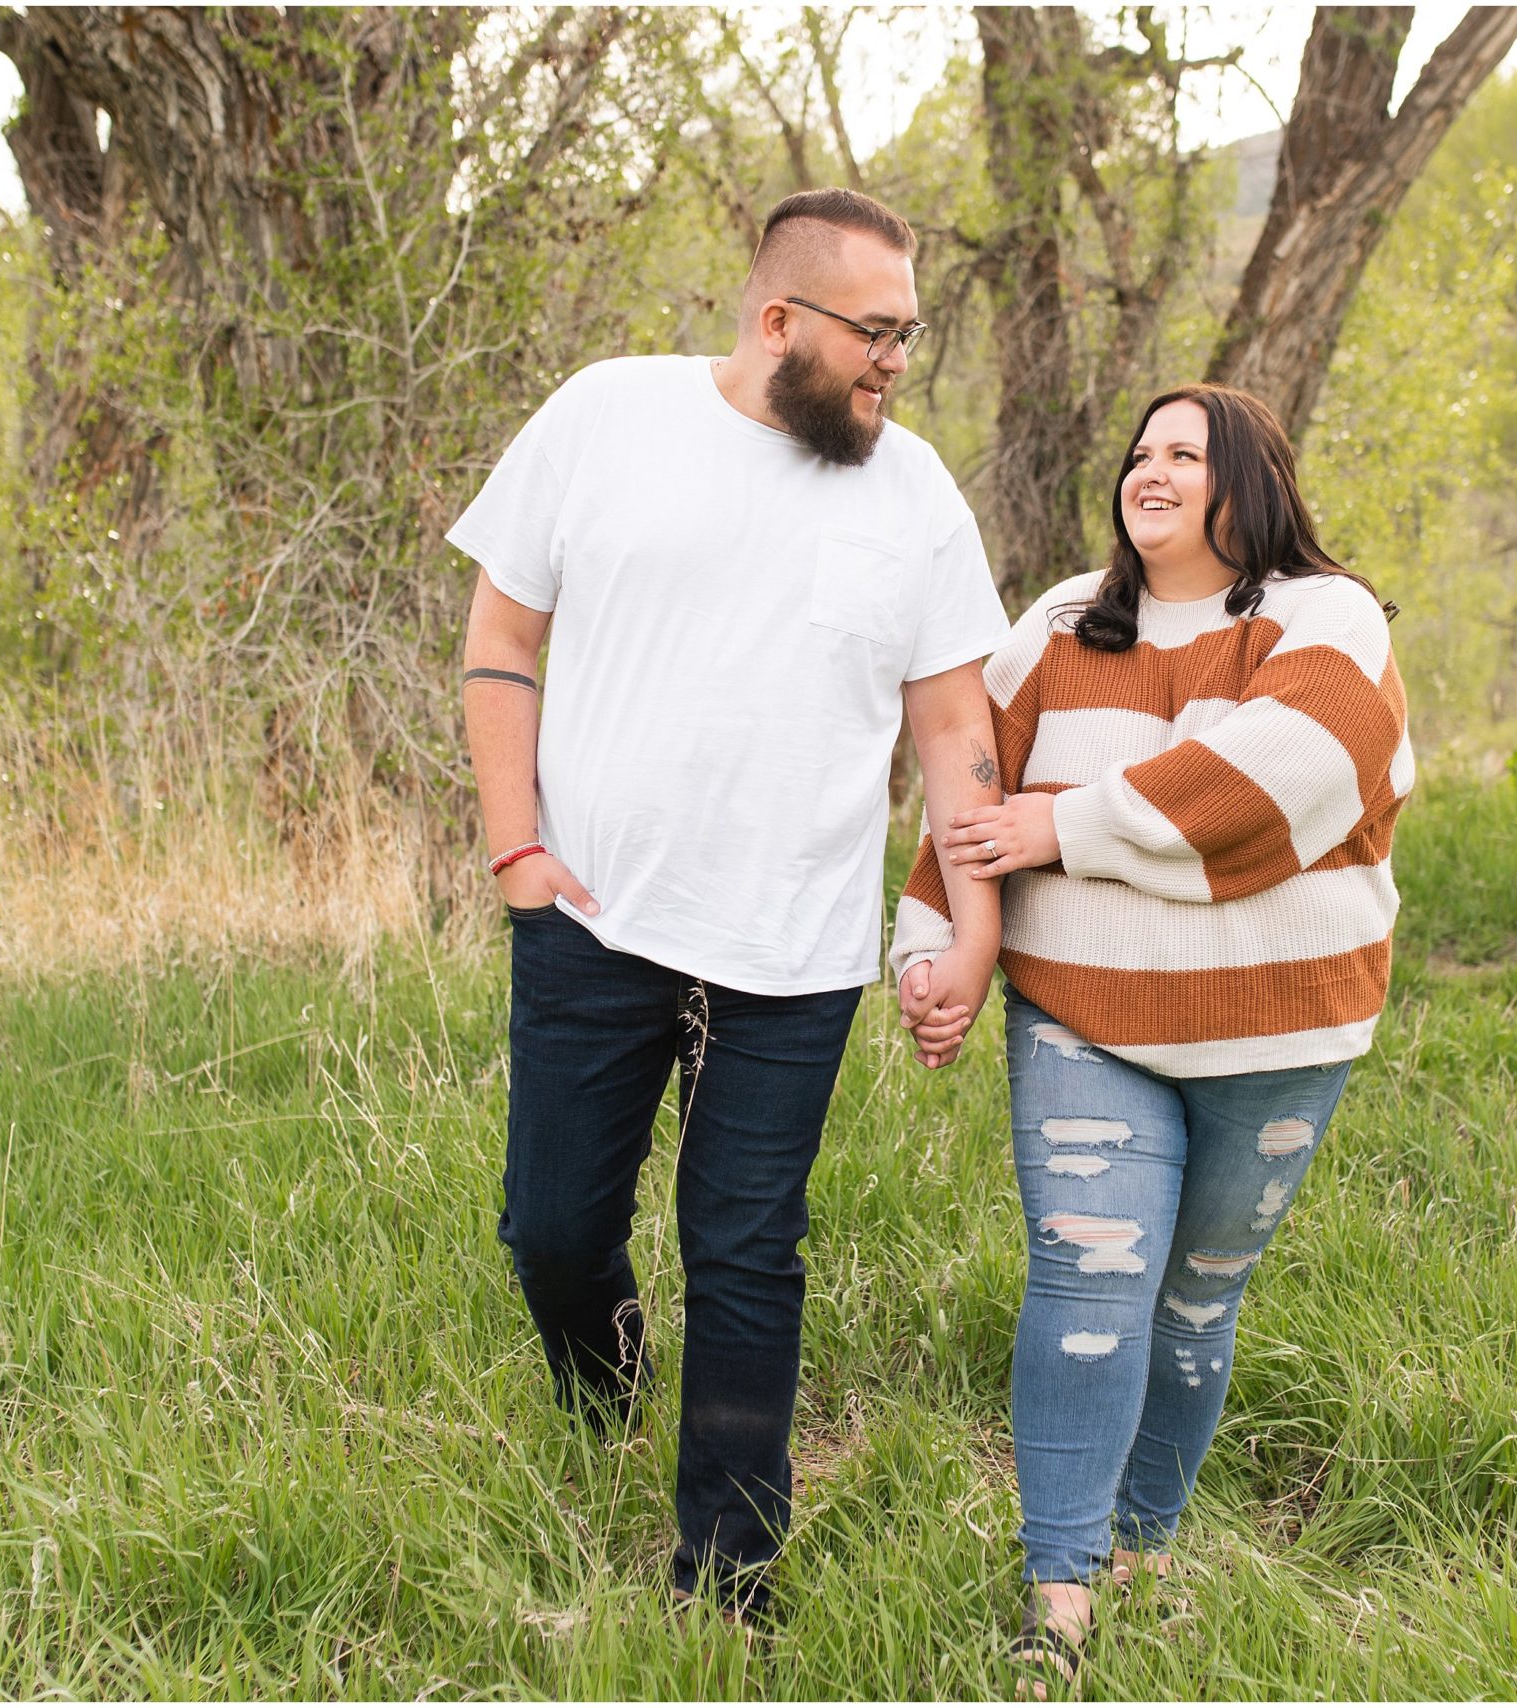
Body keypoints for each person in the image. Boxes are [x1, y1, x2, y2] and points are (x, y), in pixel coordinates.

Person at [449, 187, 1008, 1619]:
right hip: (590, 915)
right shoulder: (607, 417)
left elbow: (955, 735)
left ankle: (730, 1578)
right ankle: (609, 1387)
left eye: (911, 336)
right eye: (877, 334)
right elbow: (504, 636)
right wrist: (516, 848)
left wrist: (970, 932)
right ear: (779, 321)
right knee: (553, 1232)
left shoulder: (916, 493)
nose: (897, 361)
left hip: (794, 948)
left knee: (748, 1249)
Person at [893, 383, 1414, 1685]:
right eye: (1139, 451)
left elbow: (1277, 776)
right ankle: (1055, 1599)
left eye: (1187, 452)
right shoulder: (1060, 627)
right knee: (1087, 1288)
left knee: (1192, 1309)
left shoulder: (1325, 619)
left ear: (1255, 480)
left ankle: (1145, 1551)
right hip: (1088, 1016)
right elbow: (973, 787)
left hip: (1281, 1033)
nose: (1152, 469)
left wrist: (1068, 826)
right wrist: (934, 944)